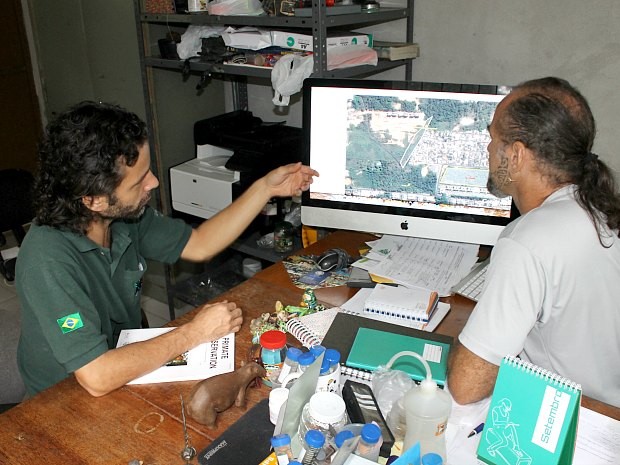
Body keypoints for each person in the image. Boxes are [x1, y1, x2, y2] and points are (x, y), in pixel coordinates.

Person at [15, 101, 319, 398]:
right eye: (138, 182)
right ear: (93, 199)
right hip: (63, 396)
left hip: (123, 362)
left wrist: (265, 187)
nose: (154, 182)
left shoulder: (120, 217)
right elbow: (96, 376)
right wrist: (194, 332)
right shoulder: (47, 259)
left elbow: (199, 244)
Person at [447, 77, 620, 407]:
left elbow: (466, 387)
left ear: (515, 155)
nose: (487, 149)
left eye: (492, 137)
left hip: (575, 421)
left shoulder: (528, 240)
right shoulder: (599, 205)